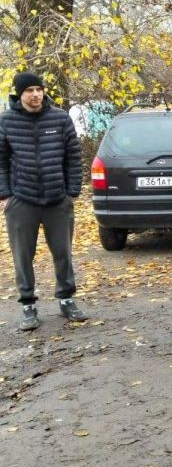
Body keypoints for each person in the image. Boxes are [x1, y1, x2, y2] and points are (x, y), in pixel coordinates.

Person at [0, 72, 87, 331]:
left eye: (39, 89)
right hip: (21, 199)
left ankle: (67, 298)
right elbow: (1, 160)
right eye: (29, 90)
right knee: (22, 256)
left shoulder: (60, 118)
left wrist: (72, 191)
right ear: (20, 94)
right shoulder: (6, 121)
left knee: (63, 253)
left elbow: (73, 155)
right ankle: (28, 305)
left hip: (57, 199)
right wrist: (5, 194)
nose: (35, 94)